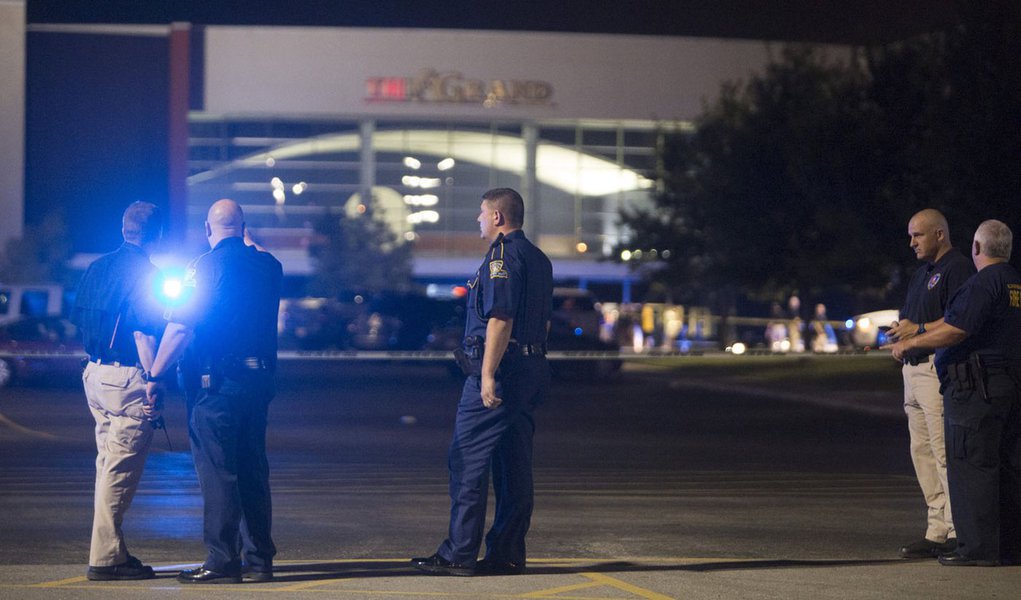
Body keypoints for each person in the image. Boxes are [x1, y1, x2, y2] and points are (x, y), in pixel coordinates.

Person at [412, 188, 553, 577]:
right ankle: (507, 553)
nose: (477, 219)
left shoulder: (503, 257)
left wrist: (488, 374)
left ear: (496, 217)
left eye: (481, 213)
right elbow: (543, 322)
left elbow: (501, 318)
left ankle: (458, 553)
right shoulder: (539, 258)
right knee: (514, 464)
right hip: (531, 369)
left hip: (503, 372)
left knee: (467, 460)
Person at [144, 199, 282, 583]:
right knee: (253, 468)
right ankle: (259, 560)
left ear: (207, 229)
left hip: (216, 386)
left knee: (219, 473)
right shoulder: (270, 267)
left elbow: (181, 327)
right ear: (244, 227)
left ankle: (222, 560)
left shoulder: (203, 268)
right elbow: (257, 250)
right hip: (259, 382)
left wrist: (155, 373)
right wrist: (245, 235)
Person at [886, 219, 1021, 567]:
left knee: (970, 465)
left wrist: (913, 340)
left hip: (977, 387)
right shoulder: (1013, 281)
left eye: (917, 234)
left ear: (977, 249)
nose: (912, 242)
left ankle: (974, 547)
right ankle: (1003, 545)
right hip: (1006, 384)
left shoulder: (981, 282)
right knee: (1002, 466)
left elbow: (956, 328)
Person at [70, 201, 166, 581]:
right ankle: (106, 559)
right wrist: (154, 379)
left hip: (94, 373)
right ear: (156, 235)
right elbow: (142, 332)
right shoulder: (146, 274)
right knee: (119, 470)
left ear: (123, 229)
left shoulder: (95, 268)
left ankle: (115, 550)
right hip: (127, 378)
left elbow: (79, 320)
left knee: (106, 466)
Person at [885, 208, 975, 560]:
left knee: (943, 452)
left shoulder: (958, 269)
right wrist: (902, 330)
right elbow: (914, 318)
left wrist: (918, 331)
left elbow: (959, 319)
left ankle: (956, 530)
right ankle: (936, 528)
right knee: (921, 453)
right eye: (910, 236)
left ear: (939, 234)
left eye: (917, 235)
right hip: (911, 370)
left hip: (935, 369)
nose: (912, 243)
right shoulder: (922, 273)